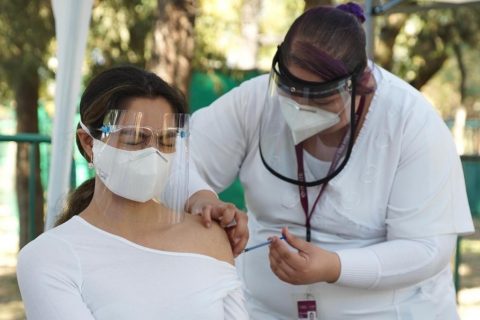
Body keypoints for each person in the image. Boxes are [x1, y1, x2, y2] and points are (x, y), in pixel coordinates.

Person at [189, 2, 475, 319]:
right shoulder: (255, 102)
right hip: (265, 311)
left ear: (359, 85)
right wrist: (201, 197)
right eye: (290, 89)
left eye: (320, 97)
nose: (299, 104)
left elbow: (427, 249)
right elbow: (180, 162)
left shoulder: (411, 123)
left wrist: (334, 266)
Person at [16, 66, 249, 320]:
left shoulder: (208, 236)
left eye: (167, 140)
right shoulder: (50, 257)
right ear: (88, 142)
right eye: (134, 138)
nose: (153, 153)